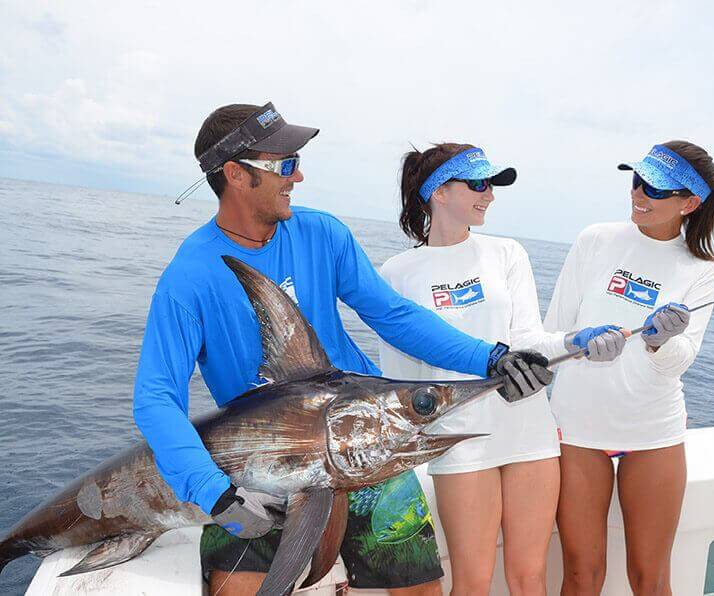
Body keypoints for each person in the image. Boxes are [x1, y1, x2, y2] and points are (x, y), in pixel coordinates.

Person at [132, 104, 554, 596]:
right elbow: (156, 397)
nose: (298, 176)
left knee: (422, 591)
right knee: (236, 590)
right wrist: (215, 494)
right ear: (236, 174)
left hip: (370, 444)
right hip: (259, 470)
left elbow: (394, 315)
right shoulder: (188, 278)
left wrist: (491, 357)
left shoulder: (322, 233)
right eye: (286, 164)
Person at [378, 143, 624, 596]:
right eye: (478, 184)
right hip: (460, 439)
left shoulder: (507, 253)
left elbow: (528, 338)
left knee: (529, 578)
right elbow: (399, 381)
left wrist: (576, 341)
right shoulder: (397, 273)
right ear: (438, 191)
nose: (489, 195)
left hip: (528, 428)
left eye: (491, 185)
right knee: (472, 583)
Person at [545, 141, 714, 596]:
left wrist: (658, 342)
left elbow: (681, 360)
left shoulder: (701, 269)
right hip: (578, 428)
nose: (639, 194)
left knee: (651, 578)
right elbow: (551, 332)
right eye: (637, 181)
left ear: (689, 203)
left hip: (653, 432)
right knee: (581, 576)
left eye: (656, 190)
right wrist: (577, 343)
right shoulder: (595, 240)